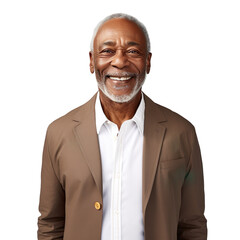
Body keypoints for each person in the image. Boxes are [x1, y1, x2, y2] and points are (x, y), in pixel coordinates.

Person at [37, 13, 207, 240]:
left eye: (133, 51)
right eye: (107, 51)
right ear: (91, 61)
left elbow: (192, 225)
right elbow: (51, 224)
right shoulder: (59, 133)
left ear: (147, 61)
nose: (119, 61)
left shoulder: (181, 132)